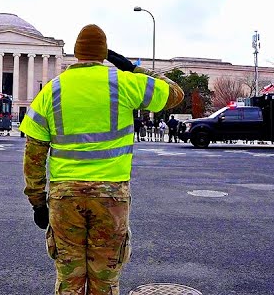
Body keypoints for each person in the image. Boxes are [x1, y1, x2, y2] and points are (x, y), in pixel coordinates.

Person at [20, 25, 184, 295]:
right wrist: (132, 68)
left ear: (76, 54)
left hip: (65, 197)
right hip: (111, 195)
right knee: (105, 280)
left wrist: (37, 201)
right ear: (104, 53)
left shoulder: (51, 91)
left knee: (69, 279)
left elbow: (34, 154)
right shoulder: (124, 83)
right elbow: (174, 93)